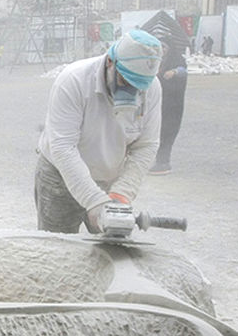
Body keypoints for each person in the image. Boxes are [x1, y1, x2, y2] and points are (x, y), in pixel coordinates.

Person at [35, 30, 162, 234]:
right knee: (59, 248)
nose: (131, 91)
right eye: (126, 81)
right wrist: (94, 200)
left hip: (108, 178)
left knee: (113, 246)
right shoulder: (73, 80)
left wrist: (122, 193)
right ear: (111, 62)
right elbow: (62, 147)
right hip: (60, 175)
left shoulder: (152, 87)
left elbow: (146, 145)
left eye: (138, 87)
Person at [150, 34, 189, 175]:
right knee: (156, 131)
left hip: (172, 106)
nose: (162, 49)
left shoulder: (177, 61)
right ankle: (158, 161)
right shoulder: (157, 61)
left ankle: (163, 163)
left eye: (164, 46)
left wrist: (174, 72)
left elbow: (183, 71)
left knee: (167, 132)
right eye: (159, 46)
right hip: (159, 104)